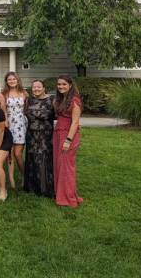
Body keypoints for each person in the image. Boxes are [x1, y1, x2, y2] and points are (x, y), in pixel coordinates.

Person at [53, 75, 83, 208]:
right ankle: (60, 193)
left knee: (66, 167)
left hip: (68, 135)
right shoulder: (60, 99)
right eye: (59, 84)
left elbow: (75, 122)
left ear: (70, 85)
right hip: (58, 134)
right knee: (59, 165)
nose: (61, 86)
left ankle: (68, 197)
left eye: (64, 84)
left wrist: (68, 140)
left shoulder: (74, 100)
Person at [24, 80, 55, 198]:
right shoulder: (28, 100)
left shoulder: (52, 99)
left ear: (44, 88)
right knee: (32, 158)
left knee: (43, 158)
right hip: (31, 133)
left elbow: (58, 114)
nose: (36, 89)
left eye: (38, 87)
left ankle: (44, 188)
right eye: (34, 87)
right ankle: (31, 186)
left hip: (45, 134)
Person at [2, 72, 29, 188]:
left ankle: (24, 176)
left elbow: (28, 109)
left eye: (13, 79)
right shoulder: (4, 94)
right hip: (9, 124)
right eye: (9, 79)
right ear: (6, 81)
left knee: (18, 154)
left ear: (17, 80)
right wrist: (5, 121)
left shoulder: (24, 93)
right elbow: (3, 110)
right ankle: (11, 180)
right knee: (10, 154)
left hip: (21, 125)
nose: (12, 81)